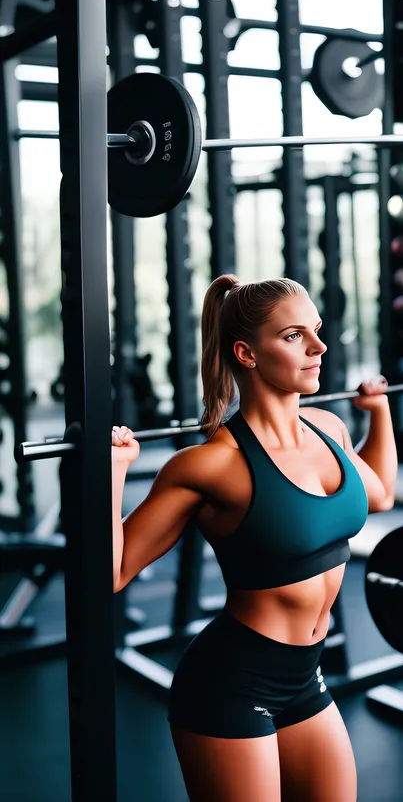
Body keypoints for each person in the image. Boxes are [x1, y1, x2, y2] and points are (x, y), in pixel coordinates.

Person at [111, 275, 397, 802]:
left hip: (305, 678)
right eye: (294, 336)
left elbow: (378, 495)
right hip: (233, 685)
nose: (319, 346)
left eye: (315, 331)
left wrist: (379, 416)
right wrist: (114, 473)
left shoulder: (328, 430)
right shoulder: (211, 465)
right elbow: (114, 570)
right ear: (246, 352)